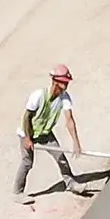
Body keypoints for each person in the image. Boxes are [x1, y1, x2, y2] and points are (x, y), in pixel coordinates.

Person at [16, 64, 86, 196]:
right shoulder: (38, 95)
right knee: (27, 163)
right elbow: (26, 117)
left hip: (45, 134)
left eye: (67, 82)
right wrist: (27, 138)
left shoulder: (64, 98)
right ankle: (17, 192)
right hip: (27, 131)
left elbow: (69, 120)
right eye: (63, 82)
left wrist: (76, 142)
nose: (65, 86)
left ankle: (70, 183)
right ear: (55, 81)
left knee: (60, 157)